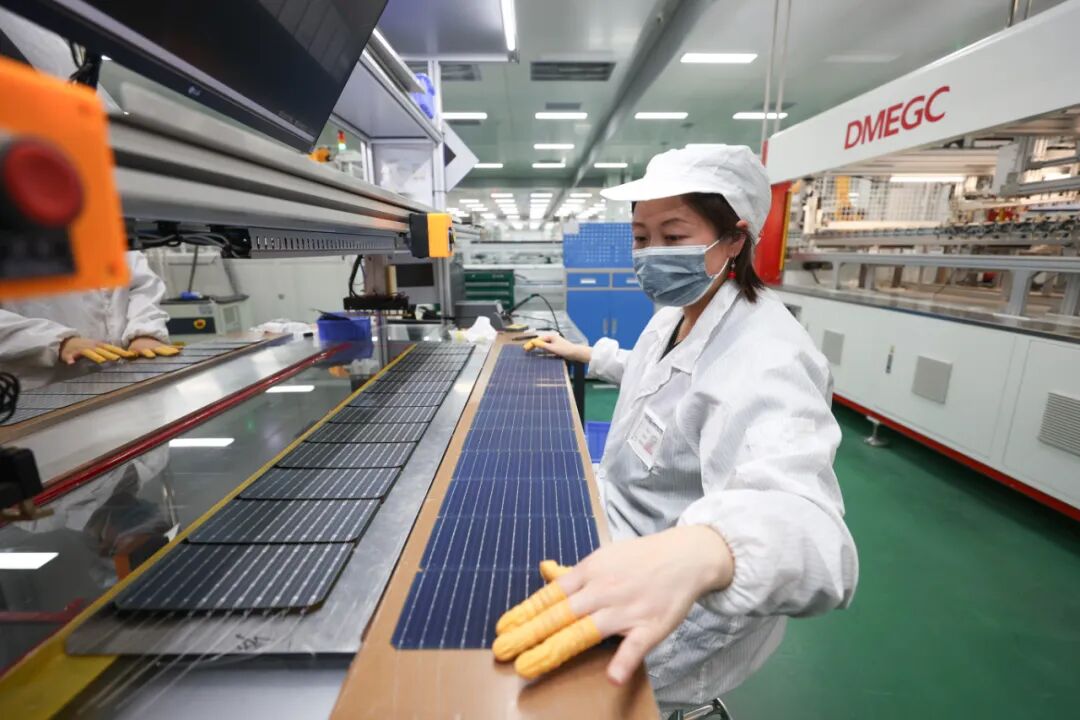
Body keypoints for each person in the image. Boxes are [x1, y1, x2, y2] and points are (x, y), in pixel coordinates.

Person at [506, 145, 858, 710]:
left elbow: (813, 532)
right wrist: (587, 354)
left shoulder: (769, 357)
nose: (652, 255)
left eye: (673, 237)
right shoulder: (679, 311)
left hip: (679, 607)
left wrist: (704, 549)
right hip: (622, 526)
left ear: (735, 239)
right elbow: (659, 375)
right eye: (641, 238)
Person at [0, 250, 175, 387]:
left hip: (123, 382)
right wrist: (54, 340)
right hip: (44, 390)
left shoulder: (101, 230)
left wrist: (144, 332)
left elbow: (140, 285)